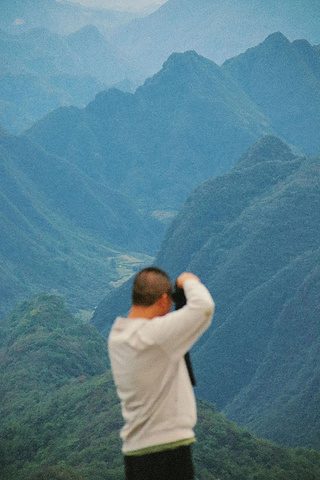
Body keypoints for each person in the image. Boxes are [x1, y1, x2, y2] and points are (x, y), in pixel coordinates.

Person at [108, 267, 215, 480]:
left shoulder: (118, 337)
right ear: (163, 299)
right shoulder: (155, 338)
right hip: (167, 452)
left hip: (135, 453)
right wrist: (189, 280)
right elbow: (204, 306)